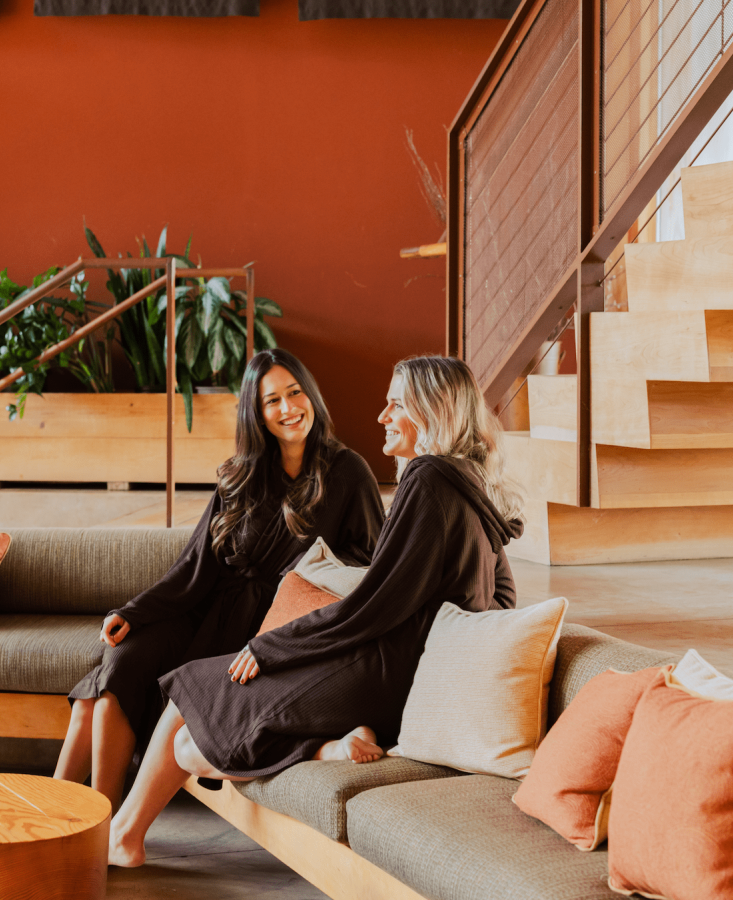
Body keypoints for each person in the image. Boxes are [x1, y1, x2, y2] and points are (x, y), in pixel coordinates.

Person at [108, 354, 524, 867]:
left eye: (395, 403)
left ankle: (123, 836)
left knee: (191, 711)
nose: (382, 416)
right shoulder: (473, 484)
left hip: (381, 669)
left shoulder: (427, 478)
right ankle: (325, 746)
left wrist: (272, 646)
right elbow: (502, 600)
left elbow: (371, 607)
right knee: (193, 713)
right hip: (404, 671)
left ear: (430, 410)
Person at [53, 348, 385, 815]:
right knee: (120, 665)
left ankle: (87, 826)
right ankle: (72, 815)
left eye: (295, 393)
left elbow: (366, 568)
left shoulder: (348, 472)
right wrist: (133, 612)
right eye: (273, 401)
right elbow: (193, 568)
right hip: (206, 613)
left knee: (114, 683)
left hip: (265, 634)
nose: (289, 408)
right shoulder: (241, 473)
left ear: (311, 395)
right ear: (256, 412)